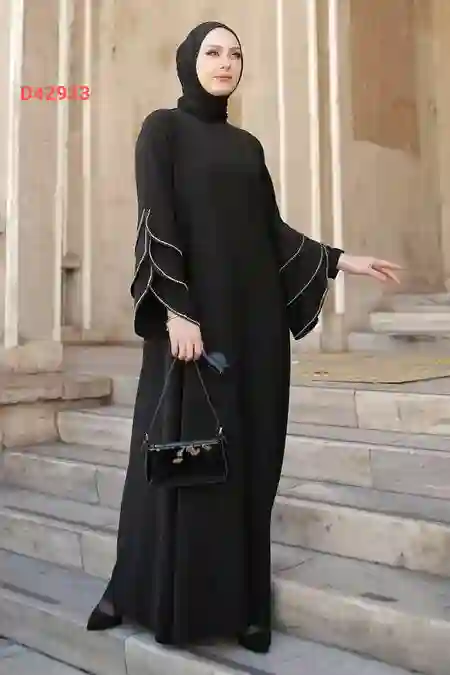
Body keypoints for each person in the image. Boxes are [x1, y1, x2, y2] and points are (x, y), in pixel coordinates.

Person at [86, 21, 400, 653]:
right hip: (191, 326)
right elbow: (156, 217)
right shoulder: (162, 130)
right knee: (175, 458)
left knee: (249, 457)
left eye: (234, 54)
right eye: (213, 52)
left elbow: (270, 231)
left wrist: (341, 260)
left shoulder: (248, 146)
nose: (225, 63)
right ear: (189, 60)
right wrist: (178, 311)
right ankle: (136, 589)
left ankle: (246, 605)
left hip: (254, 328)